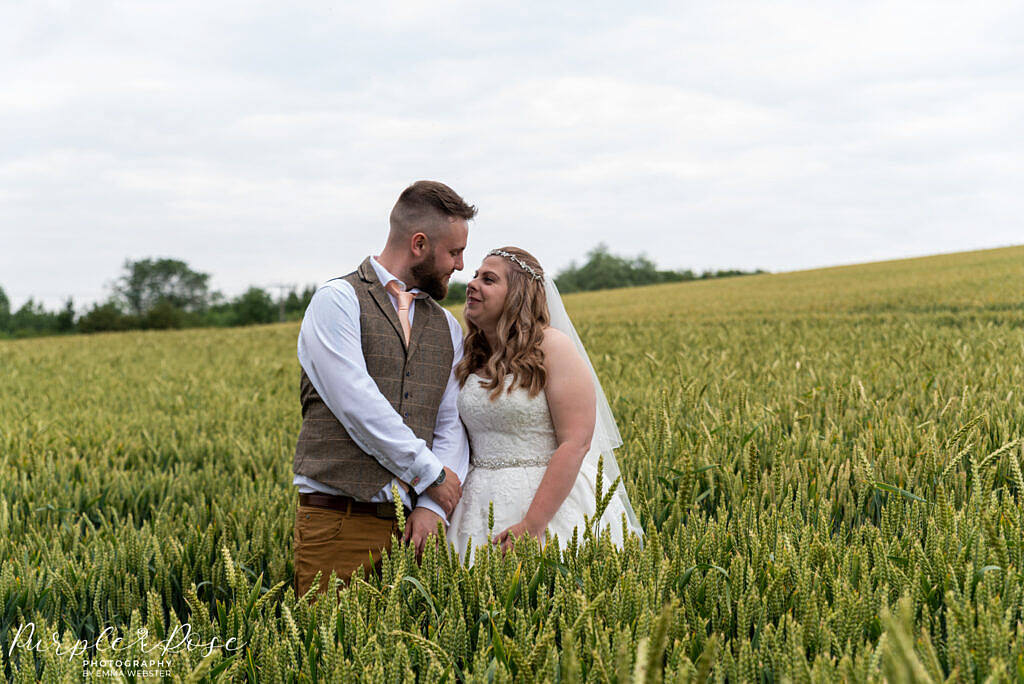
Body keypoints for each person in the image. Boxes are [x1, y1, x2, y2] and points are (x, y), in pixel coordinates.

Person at [292, 180, 475, 596]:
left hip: (418, 530)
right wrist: (432, 476)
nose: (461, 265)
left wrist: (431, 507)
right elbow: (357, 404)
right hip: (338, 522)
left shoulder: (446, 326)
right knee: (326, 656)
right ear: (419, 244)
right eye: (454, 252)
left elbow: (451, 423)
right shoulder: (337, 301)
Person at [446, 247, 644, 564]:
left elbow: (576, 441)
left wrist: (533, 525)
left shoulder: (551, 346)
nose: (472, 284)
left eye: (489, 279)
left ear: (517, 296)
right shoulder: (472, 355)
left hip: (547, 506)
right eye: (474, 276)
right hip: (476, 504)